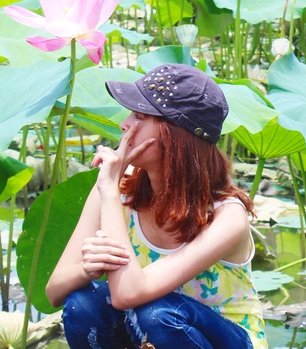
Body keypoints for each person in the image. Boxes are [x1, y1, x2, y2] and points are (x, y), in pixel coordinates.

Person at [45, 64, 266, 349]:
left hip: (225, 339)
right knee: (82, 304)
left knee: (158, 314)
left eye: (139, 115)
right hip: (149, 328)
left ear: (175, 135)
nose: (124, 124)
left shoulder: (227, 216)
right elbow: (54, 291)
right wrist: (87, 269)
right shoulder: (118, 186)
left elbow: (128, 294)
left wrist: (109, 192)